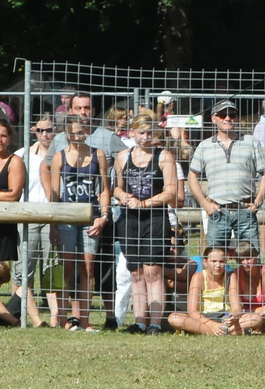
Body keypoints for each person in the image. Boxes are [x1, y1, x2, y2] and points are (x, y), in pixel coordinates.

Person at [111, 114, 181, 334]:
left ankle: (155, 323)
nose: (146, 137)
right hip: (130, 219)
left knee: (153, 272)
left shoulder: (164, 156)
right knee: (136, 272)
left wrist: (144, 203)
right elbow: (116, 187)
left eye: (150, 133)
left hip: (155, 219)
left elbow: (171, 192)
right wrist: (123, 197)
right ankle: (139, 321)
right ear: (132, 133)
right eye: (141, 132)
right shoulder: (123, 156)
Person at [45, 115, 110, 330]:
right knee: (67, 266)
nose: (76, 136)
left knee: (88, 267)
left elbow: (104, 190)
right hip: (65, 216)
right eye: (72, 133)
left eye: (80, 132)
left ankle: (84, 319)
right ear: (65, 133)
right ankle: (63, 316)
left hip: (90, 215)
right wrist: (53, 224)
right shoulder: (59, 157)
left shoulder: (97, 155)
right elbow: (55, 193)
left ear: (87, 132)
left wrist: (104, 215)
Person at [188, 97, 265, 251]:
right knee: (215, 262)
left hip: (246, 211)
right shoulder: (204, 146)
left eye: (232, 114)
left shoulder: (251, 142)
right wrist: (205, 204)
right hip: (217, 212)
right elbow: (192, 176)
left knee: (250, 264)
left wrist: (258, 202)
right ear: (213, 119)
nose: (228, 118)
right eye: (222, 115)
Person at [23, 116, 58, 327]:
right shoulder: (24, 155)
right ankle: (36, 319)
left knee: (52, 268)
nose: (45, 134)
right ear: (34, 131)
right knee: (25, 269)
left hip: (53, 216)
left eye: (49, 130)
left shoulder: (62, 154)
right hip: (27, 215)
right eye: (40, 130)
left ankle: (55, 317)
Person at [167, 246, 242, 335]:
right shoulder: (198, 277)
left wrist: (234, 316)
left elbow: (237, 308)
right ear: (205, 262)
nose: (218, 265)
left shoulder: (231, 276)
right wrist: (212, 324)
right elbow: (192, 311)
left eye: (222, 261)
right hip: (203, 319)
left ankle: (215, 331)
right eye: (214, 261)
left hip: (225, 318)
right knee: (174, 318)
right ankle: (225, 332)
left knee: (254, 319)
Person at [0, 121, 22, 320]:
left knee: (2, 272)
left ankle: (9, 318)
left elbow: (13, 194)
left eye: (3, 135)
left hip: (4, 225)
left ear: (10, 138)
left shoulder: (14, 162)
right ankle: (8, 317)